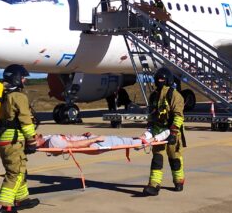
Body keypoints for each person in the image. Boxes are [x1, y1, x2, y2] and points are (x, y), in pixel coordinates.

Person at [0, 64, 39, 213]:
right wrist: (32, 141)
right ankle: (2, 207)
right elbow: (26, 121)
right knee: (15, 173)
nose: (25, 80)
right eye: (23, 77)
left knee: (19, 169)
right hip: (13, 140)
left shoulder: (2, 95)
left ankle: (22, 199)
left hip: (1, 139)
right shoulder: (18, 96)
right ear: (17, 78)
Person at [142, 67, 186, 196]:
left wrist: (173, 133)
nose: (160, 81)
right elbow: (152, 114)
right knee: (157, 158)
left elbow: (178, 116)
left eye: (162, 79)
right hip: (158, 131)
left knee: (174, 158)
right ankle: (154, 185)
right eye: (158, 79)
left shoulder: (175, 95)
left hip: (172, 131)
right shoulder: (153, 96)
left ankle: (179, 181)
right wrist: (149, 129)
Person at [34, 133, 147, 149]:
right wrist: (95, 138)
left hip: (89, 140)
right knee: (119, 141)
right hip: (94, 144)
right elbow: (75, 145)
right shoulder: (53, 141)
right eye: (34, 137)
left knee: (120, 140)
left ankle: (141, 139)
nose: (36, 134)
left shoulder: (47, 139)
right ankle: (144, 141)